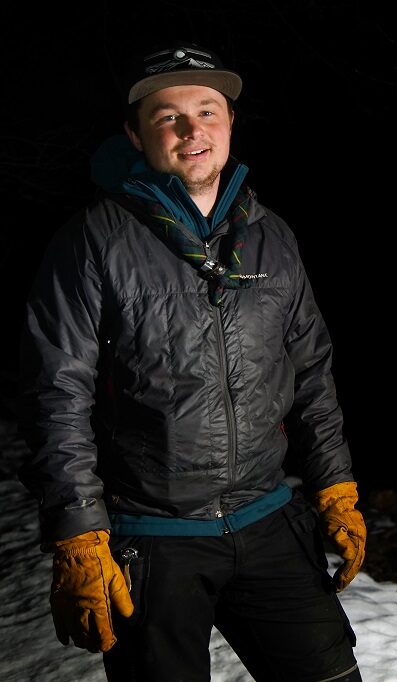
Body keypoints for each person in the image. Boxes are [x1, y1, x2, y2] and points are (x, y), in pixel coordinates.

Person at [17, 40, 366, 682]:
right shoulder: (92, 241)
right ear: (135, 134)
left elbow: (312, 372)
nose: (190, 129)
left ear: (230, 123)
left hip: (268, 519)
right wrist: (76, 532)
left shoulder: (272, 236)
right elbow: (55, 394)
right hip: (151, 538)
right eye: (166, 115)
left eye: (207, 111)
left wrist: (335, 485)